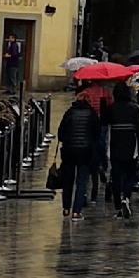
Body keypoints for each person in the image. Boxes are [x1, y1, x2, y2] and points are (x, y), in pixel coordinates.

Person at [56, 85, 100, 218]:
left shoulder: (70, 112)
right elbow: (96, 134)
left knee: (68, 180)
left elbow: (61, 132)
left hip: (69, 150)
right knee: (82, 180)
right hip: (85, 151)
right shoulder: (92, 114)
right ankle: (76, 211)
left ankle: (66, 208)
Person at [105, 83, 139, 218]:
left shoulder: (111, 109)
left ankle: (118, 206)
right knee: (130, 174)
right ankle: (126, 197)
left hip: (115, 144)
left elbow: (103, 122)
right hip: (130, 145)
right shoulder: (134, 109)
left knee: (116, 176)